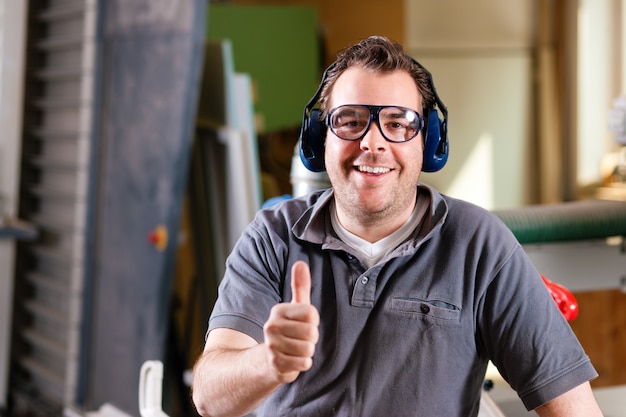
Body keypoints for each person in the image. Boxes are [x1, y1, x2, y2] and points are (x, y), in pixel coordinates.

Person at [192, 36, 603, 416]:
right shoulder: (274, 237)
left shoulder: (479, 244)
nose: (373, 142)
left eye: (399, 122)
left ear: (430, 141)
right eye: (350, 121)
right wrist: (268, 363)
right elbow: (209, 398)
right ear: (320, 139)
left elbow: (574, 408)